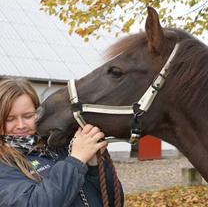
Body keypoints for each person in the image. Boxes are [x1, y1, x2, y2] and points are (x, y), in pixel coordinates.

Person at [0, 77, 124, 206]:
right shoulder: (3, 164)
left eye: (28, 116)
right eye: (10, 119)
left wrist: (94, 166)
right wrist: (76, 160)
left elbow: (114, 201)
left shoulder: (59, 146)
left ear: (39, 113)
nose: (21, 125)